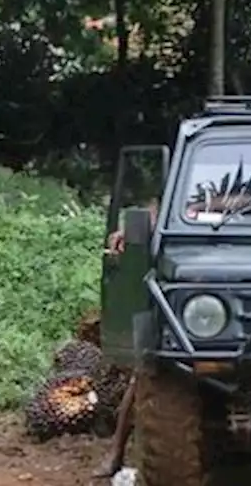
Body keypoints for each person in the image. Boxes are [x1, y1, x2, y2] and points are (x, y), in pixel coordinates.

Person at [93, 199, 157, 479]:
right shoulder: (195, 170)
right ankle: (117, 451)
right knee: (143, 372)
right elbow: (159, 209)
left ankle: (117, 452)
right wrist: (130, 233)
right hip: (179, 304)